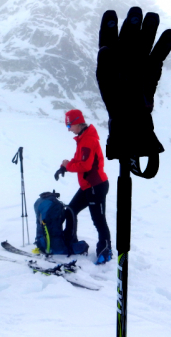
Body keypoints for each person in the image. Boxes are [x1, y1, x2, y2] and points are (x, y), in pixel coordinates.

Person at [60, 109, 112, 264]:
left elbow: (86, 166)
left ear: (77, 122)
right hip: (87, 186)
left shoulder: (88, 140)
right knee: (71, 211)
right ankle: (69, 243)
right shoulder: (82, 139)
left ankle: (105, 250)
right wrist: (65, 166)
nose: (69, 129)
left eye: (69, 125)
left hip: (96, 186)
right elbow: (78, 160)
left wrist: (68, 166)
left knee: (98, 220)